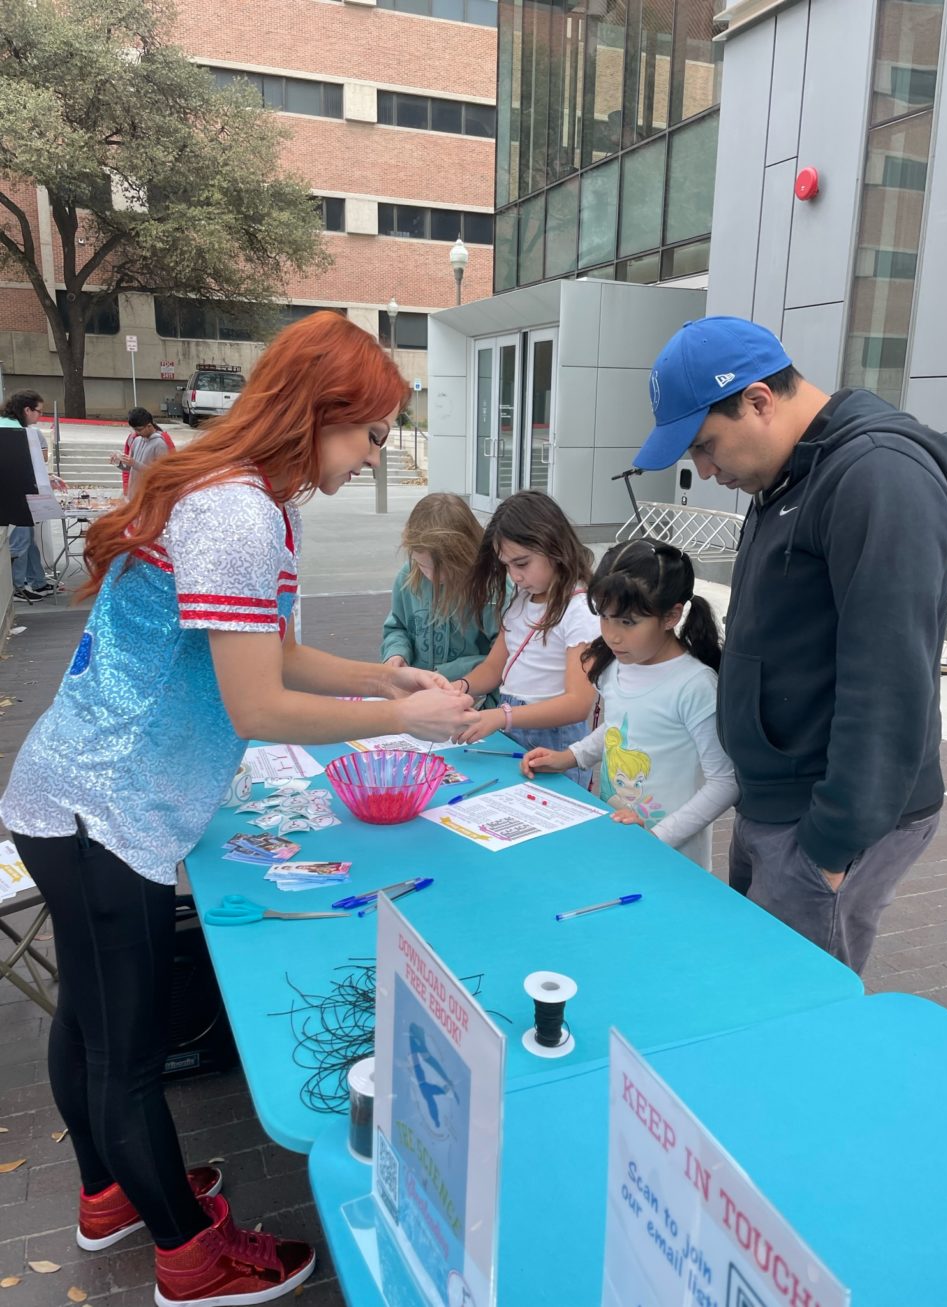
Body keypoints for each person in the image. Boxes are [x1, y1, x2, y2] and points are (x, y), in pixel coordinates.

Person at [0, 312, 478, 1306]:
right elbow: (257, 704)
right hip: (105, 811)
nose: (375, 452)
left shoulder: (250, 498)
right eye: (370, 431)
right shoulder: (237, 514)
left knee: (90, 1019)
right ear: (319, 416)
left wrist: (384, 683)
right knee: (123, 1053)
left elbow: (270, 654)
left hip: (74, 796)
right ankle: (187, 1253)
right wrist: (406, 724)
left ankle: (112, 1193)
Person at [633, 314, 947, 972]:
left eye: (705, 444)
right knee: (748, 988)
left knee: (790, 1014)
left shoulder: (877, 477)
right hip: (775, 801)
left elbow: (890, 681)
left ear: (758, 400)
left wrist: (832, 846)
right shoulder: (783, 474)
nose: (704, 469)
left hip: (826, 818)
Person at [520, 540, 737, 869]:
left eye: (627, 622)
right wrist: (569, 757)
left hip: (672, 860)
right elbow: (620, 728)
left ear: (671, 615)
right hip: (618, 841)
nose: (612, 635)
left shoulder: (695, 685)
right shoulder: (619, 664)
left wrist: (658, 836)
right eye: (605, 618)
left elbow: (725, 782)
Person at [453, 490, 600, 786]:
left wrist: (502, 716)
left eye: (522, 563)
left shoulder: (580, 610)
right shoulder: (523, 598)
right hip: (512, 726)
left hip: (555, 739)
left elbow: (577, 704)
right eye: (506, 565)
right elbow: (495, 668)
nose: (514, 576)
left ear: (555, 547)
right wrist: (461, 687)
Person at [380, 492, 503, 701]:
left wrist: (450, 676)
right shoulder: (408, 575)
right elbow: (397, 627)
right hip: (417, 696)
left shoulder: (493, 586)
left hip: (474, 700)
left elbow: (504, 657)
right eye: (423, 565)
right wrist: (396, 654)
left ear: (466, 554)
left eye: (445, 568)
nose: (433, 576)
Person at [3, 390, 55, 601]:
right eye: (38, 412)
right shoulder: (16, 432)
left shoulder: (12, 427)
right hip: (15, 497)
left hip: (16, 494)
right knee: (20, 542)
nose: (39, 417)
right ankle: (17, 586)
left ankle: (36, 581)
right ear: (26, 409)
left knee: (28, 540)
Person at [110, 406, 175, 498]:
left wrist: (134, 463)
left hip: (149, 496)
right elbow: (130, 468)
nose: (137, 432)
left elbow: (161, 474)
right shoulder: (136, 441)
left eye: (139, 429)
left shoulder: (160, 444)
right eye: (135, 429)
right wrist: (119, 462)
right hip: (133, 495)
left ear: (149, 426)